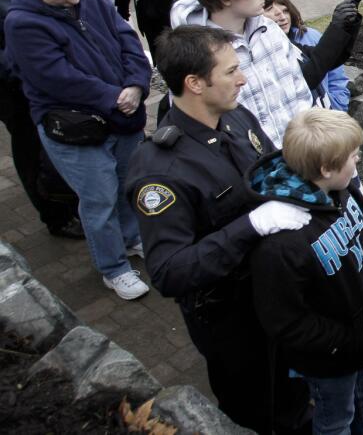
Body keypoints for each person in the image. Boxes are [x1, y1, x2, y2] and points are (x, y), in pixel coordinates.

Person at [126, 25, 312, 433]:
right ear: (194, 83)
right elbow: (169, 271)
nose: (242, 78)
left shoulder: (234, 116)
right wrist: (251, 225)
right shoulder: (161, 172)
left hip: (277, 292)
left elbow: (272, 167)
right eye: (230, 72)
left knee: (298, 395)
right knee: (262, 410)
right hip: (233, 319)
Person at [5, 0, 152, 299]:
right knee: (99, 198)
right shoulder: (22, 23)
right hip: (76, 130)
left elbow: (129, 42)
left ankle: (132, 238)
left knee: (128, 184)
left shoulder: (96, 3)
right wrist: (114, 97)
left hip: (123, 115)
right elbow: (55, 77)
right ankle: (113, 268)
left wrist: (136, 85)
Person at [246, 109, 363, 435]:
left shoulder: (342, 189)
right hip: (330, 360)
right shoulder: (280, 246)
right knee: (336, 419)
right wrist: (348, 341)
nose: (359, 160)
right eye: (353, 155)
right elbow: (286, 321)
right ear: (325, 168)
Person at [169, 0, 361, 146]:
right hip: (253, 168)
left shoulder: (268, 28)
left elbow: (300, 88)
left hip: (300, 154)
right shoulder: (192, 52)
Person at [0, 0, 83, 240]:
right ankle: (56, 216)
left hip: (27, 84)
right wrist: (27, 66)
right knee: (32, 151)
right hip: (16, 93)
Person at [264, 0, 350, 111]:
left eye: (285, 11)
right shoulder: (264, 52)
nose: (283, 17)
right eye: (270, 10)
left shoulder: (310, 36)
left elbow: (336, 75)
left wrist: (337, 107)